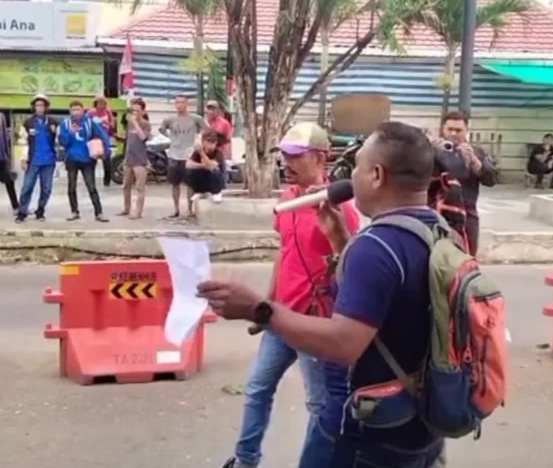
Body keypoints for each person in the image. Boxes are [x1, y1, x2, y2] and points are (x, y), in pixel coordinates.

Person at [199, 122, 445, 468]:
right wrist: (341, 241)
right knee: (259, 388)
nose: (349, 176)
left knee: (322, 414)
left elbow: (344, 344)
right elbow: (385, 304)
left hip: (376, 430)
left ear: (375, 175)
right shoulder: (439, 231)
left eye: (356, 165)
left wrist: (259, 308)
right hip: (423, 420)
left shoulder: (377, 245)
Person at [220, 122, 360, 468]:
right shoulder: (287, 201)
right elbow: (284, 254)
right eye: (284, 156)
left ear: (321, 158)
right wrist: (263, 306)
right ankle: (245, 459)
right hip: (281, 316)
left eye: (295, 156)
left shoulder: (341, 207)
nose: (287, 162)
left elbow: (352, 263)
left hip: (314, 323)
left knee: (319, 405)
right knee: (256, 390)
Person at [439, 111, 497, 256]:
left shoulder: (477, 151)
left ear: (466, 131)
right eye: (449, 129)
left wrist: (475, 161)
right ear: (442, 129)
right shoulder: (434, 150)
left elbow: (491, 180)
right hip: (439, 214)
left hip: (467, 214)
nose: (453, 134)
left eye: (458, 130)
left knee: (467, 258)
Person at [58, 100, 111, 222]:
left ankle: (99, 213)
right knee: (71, 187)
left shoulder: (90, 123)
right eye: (73, 110)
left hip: (88, 159)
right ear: (70, 111)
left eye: (78, 109)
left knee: (91, 186)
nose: (76, 112)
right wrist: (71, 133)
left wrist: (104, 152)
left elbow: (102, 136)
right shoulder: (65, 124)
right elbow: (63, 142)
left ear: (83, 110)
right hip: (71, 159)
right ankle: (74, 211)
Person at [159, 95, 207, 219]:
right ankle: (176, 209)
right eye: (177, 102)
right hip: (174, 154)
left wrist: (199, 139)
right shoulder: (170, 119)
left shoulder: (195, 118)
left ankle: (190, 209)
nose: (180, 105)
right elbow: (161, 128)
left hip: (189, 154)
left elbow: (206, 129)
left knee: (190, 184)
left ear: (187, 104)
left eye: (182, 102)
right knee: (175, 183)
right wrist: (170, 137)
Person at [15, 94, 59, 223]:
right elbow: (22, 141)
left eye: (42, 105)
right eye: (37, 105)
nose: (39, 108)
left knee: (46, 189)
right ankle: (22, 212)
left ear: (46, 107)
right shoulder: (28, 123)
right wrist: (23, 159)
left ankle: (40, 211)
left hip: (49, 161)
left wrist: (55, 133)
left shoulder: (53, 122)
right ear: (34, 107)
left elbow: (59, 141)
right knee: (27, 187)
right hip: (33, 160)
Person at [119, 98, 150, 220]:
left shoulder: (146, 124)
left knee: (140, 187)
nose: (135, 113)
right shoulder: (129, 123)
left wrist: (136, 122)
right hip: (129, 158)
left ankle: (138, 211)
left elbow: (143, 138)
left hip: (140, 159)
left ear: (143, 111)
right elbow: (128, 141)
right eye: (133, 110)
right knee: (126, 185)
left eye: (137, 111)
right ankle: (126, 208)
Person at [186, 128, 227, 210]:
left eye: (214, 142)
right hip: (204, 179)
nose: (211, 144)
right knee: (190, 172)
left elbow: (212, 166)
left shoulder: (218, 153)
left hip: (216, 181)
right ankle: (200, 191)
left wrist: (202, 153)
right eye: (209, 141)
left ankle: (216, 193)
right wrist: (202, 165)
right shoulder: (197, 152)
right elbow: (188, 164)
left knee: (214, 171)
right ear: (203, 142)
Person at [89, 95, 117, 187]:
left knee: (107, 161)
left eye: (103, 103)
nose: (101, 105)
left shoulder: (108, 111)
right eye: (99, 103)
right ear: (95, 104)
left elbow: (112, 124)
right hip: (95, 139)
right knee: (92, 161)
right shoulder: (91, 113)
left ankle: (107, 181)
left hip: (105, 138)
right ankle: (90, 181)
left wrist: (107, 123)